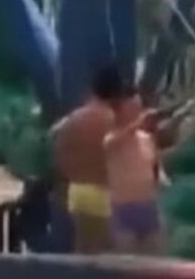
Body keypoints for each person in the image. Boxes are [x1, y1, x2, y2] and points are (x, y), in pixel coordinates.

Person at [50, 67, 122, 254]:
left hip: (77, 192)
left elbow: (58, 153)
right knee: (108, 256)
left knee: (82, 252)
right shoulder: (113, 121)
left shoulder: (75, 118)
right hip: (103, 194)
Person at [104, 85, 164, 255]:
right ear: (120, 110)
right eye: (132, 107)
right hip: (123, 210)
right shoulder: (112, 138)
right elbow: (111, 144)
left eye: (139, 107)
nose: (137, 111)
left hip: (148, 207)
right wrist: (139, 122)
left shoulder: (147, 139)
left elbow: (155, 166)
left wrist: (161, 179)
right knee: (128, 264)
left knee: (156, 263)